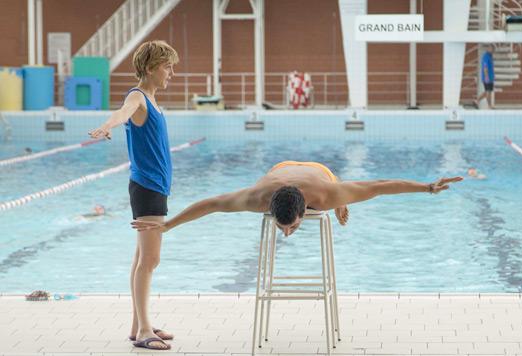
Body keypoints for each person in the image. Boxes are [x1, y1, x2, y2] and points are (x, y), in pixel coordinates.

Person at [88, 40, 178, 351]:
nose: (172, 73)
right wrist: (107, 125)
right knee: (150, 260)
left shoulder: (151, 97)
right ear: (152, 68)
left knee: (142, 258)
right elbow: (123, 112)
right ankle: (143, 331)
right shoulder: (138, 97)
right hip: (148, 187)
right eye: (167, 67)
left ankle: (138, 324)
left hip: (154, 186)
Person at [132, 161, 463, 237]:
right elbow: (212, 204)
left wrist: (428, 188)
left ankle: (342, 205)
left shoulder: (327, 195)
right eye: (283, 227)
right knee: (340, 198)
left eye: (290, 227)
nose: (287, 233)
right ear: (269, 209)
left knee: (342, 195)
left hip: (321, 174)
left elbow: (380, 185)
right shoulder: (256, 199)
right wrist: (169, 225)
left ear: (304, 210)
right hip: (280, 171)